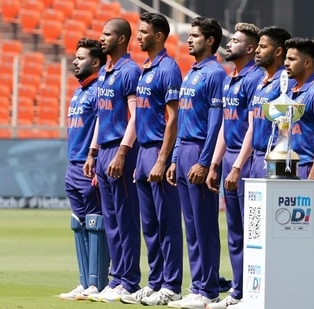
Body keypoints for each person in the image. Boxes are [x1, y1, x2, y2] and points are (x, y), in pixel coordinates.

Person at [118, 12, 184, 306]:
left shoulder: (168, 68)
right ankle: (155, 281)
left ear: (159, 36)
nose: (139, 36)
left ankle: (171, 285)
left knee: (167, 221)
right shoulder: (146, 67)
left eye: (144, 32)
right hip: (144, 151)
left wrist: (162, 159)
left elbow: (172, 119)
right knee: (150, 224)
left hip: (159, 150)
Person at [165, 16, 227, 309]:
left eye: (195, 36)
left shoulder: (215, 73)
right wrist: (176, 157)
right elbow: (184, 120)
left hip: (201, 150)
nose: (188, 40)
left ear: (210, 41)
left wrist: (205, 161)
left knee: (204, 226)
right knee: (190, 225)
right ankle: (197, 285)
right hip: (186, 150)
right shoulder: (192, 72)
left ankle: (209, 289)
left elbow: (215, 122)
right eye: (189, 36)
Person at [82, 17, 142, 303]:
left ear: (121, 39)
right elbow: (101, 117)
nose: (101, 38)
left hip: (121, 152)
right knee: (111, 220)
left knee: (125, 218)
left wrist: (122, 152)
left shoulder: (130, 71)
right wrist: (93, 151)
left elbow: (136, 116)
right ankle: (117, 277)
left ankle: (128, 280)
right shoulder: (106, 71)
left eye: (107, 34)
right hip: (104, 149)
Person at [204, 22, 263, 309]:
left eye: (236, 41)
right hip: (228, 159)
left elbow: (252, 128)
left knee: (252, 232)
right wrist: (216, 164)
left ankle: (252, 292)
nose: (229, 44)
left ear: (250, 48)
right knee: (235, 232)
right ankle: (238, 292)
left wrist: (238, 165)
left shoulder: (255, 79)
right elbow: (226, 128)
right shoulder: (229, 79)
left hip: (247, 159)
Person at [284, 37, 314, 308]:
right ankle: (296, 291)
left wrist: (313, 172)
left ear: (308, 62)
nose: (286, 64)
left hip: (307, 171)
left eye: (291, 59)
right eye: (286, 58)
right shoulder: (290, 90)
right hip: (290, 170)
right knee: (293, 237)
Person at [59, 38, 108, 301]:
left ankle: (97, 282)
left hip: (90, 165)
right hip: (73, 165)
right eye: (75, 57)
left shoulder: (99, 88)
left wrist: (94, 154)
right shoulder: (79, 91)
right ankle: (83, 281)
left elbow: (102, 122)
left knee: (96, 222)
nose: (76, 61)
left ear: (96, 62)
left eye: (81, 57)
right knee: (79, 224)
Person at [248, 26, 293, 178]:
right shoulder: (261, 82)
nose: (257, 50)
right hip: (256, 156)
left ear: (278, 51)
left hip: (275, 158)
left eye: (263, 46)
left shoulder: (285, 81)